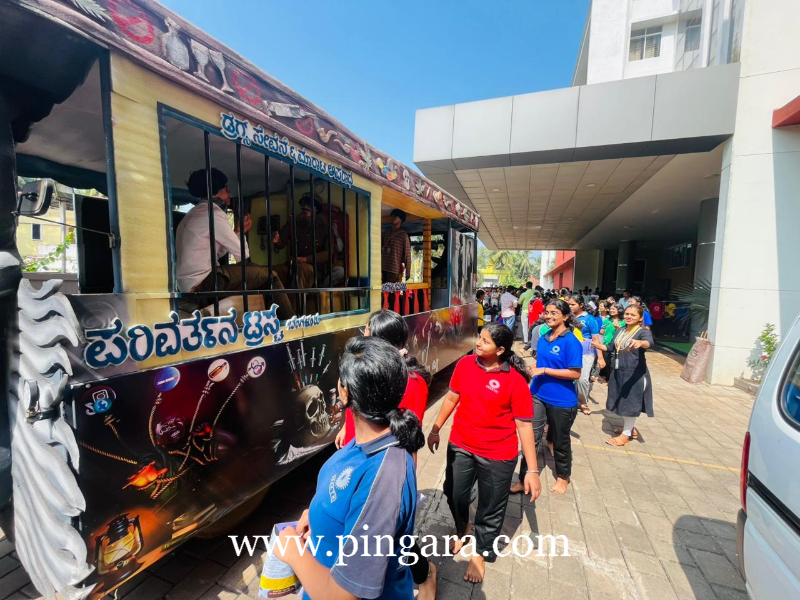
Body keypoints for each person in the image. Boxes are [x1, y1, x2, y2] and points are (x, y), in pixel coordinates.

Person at [274, 336, 423, 600]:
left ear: (344, 392)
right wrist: (318, 515)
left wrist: (293, 552)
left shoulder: (383, 478)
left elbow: (344, 595)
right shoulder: (368, 441)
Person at [334, 310, 437, 599]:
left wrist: (405, 481)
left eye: (367, 330)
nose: (363, 334)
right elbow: (358, 403)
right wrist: (346, 427)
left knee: (393, 534)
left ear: (380, 340)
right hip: (359, 453)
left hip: (382, 465)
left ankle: (424, 573)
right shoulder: (370, 369)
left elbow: (406, 436)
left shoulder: (409, 381)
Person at [427, 323, 540, 583]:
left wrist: (532, 471)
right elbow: (452, 397)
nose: (478, 342)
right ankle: (463, 528)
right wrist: (435, 428)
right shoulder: (465, 365)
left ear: (500, 350)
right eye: (480, 337)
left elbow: (524, 425)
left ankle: (480, 552)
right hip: (461, 445)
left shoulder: (515, 380)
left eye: (486, 341)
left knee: (491, 506)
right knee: (454, 494)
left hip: (498, 453)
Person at [176, 168, 294, 318]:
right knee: (271, 276)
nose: (229, 192)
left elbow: (216, 253)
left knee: (257, 271)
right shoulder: (214, 213)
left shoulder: (193, 214)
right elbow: (242, 253)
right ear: (215, 192)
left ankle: (266, 319)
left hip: (187, 285)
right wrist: (241, 232)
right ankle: (289, 321)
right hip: (205, 282)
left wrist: (237, 232)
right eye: (225, 188)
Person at [530, 300, 582, 494]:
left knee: (561, 441)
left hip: (562, 400)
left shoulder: (571, 341)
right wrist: (535, 370)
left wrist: (544, 370)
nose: (549, 316)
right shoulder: (544, 337)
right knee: (531, 438)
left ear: (566, 317)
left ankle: (563, 477)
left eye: (554, 313)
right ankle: (525, 475)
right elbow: (541, 363)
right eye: (547, 312)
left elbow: (575, 373)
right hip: (537, 395)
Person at [592, 305, 654, 446]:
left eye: (633, 315)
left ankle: (625, 435)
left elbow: (649, 343)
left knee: (629, 403)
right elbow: (611, 347)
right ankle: (630, 429)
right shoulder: (620, 330)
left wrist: (640, 342)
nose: (628, 317)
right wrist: (599, 346)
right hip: (619, 371)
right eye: (627, 314)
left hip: (634, 374)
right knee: (621, 401)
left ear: (640, 318)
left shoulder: (642, 332)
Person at [272, 193, 332, 291]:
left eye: (309, 205)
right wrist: (277, 240)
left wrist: (306, 259)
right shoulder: (293, 224)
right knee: (273, 271)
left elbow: (328, 253)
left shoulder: (324, 229)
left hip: (314, 270)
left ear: (316, 209)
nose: (306, 207)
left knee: (302, 269)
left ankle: (294, 301)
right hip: (293, 266)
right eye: (304, 204)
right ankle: (275, 300)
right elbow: (281, 243)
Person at [567, 294, 599, 416]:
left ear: (581, 305)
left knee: (582, 379)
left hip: (586, 352)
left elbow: (596, 339)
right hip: (569, 351)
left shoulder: (590, 319)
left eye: (573, 304)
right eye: (569, 304)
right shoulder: (567, 317)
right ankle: (570, 399)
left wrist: (600, 357)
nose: (570, 306)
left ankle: (583, 402)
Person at [380, 208, 412, 284]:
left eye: (395, 216)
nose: (392, 218)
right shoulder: (386, 233)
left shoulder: (403, 235)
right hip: (382, 268)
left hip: (393, 270)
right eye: (392, 216)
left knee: (391, 290)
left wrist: (408, 272)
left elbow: (407, 254)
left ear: (401, 219)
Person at [597, 302, 623, 381]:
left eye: (613, 309)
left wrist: (617, 327)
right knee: (607, 363)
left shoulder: (623, 321)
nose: (611, 310)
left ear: (619, 310)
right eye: (610, 309)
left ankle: (613, 379)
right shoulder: (607, 320)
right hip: (607, 344)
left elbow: (624, 333)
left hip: (618, 345)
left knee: (614, 363)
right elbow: (602, 332)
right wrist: (602, 330)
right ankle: (608, 379)